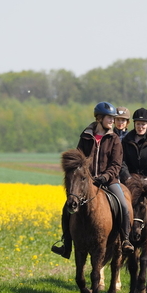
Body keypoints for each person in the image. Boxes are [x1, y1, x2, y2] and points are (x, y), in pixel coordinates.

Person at [51, 102, 134, 258]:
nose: (112, 121)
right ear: (99, 118)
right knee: (67, 207)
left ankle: (125, 240)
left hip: (109, 181)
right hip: (87, 182)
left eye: (113, 118)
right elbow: (78, 160)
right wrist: (84, 177)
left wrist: (105, 177)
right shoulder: (86, 136)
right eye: (109, 117)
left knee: (123, 205)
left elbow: (116, 164)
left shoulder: (114, 138)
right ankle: (66, 244)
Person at [119, 108, 147, 185]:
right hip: (130, 179)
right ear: (134, 124)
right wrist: (127, 177)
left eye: (143, 124)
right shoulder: (126, 140)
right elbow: (122, 162)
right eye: (138, 124)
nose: (140, 127)